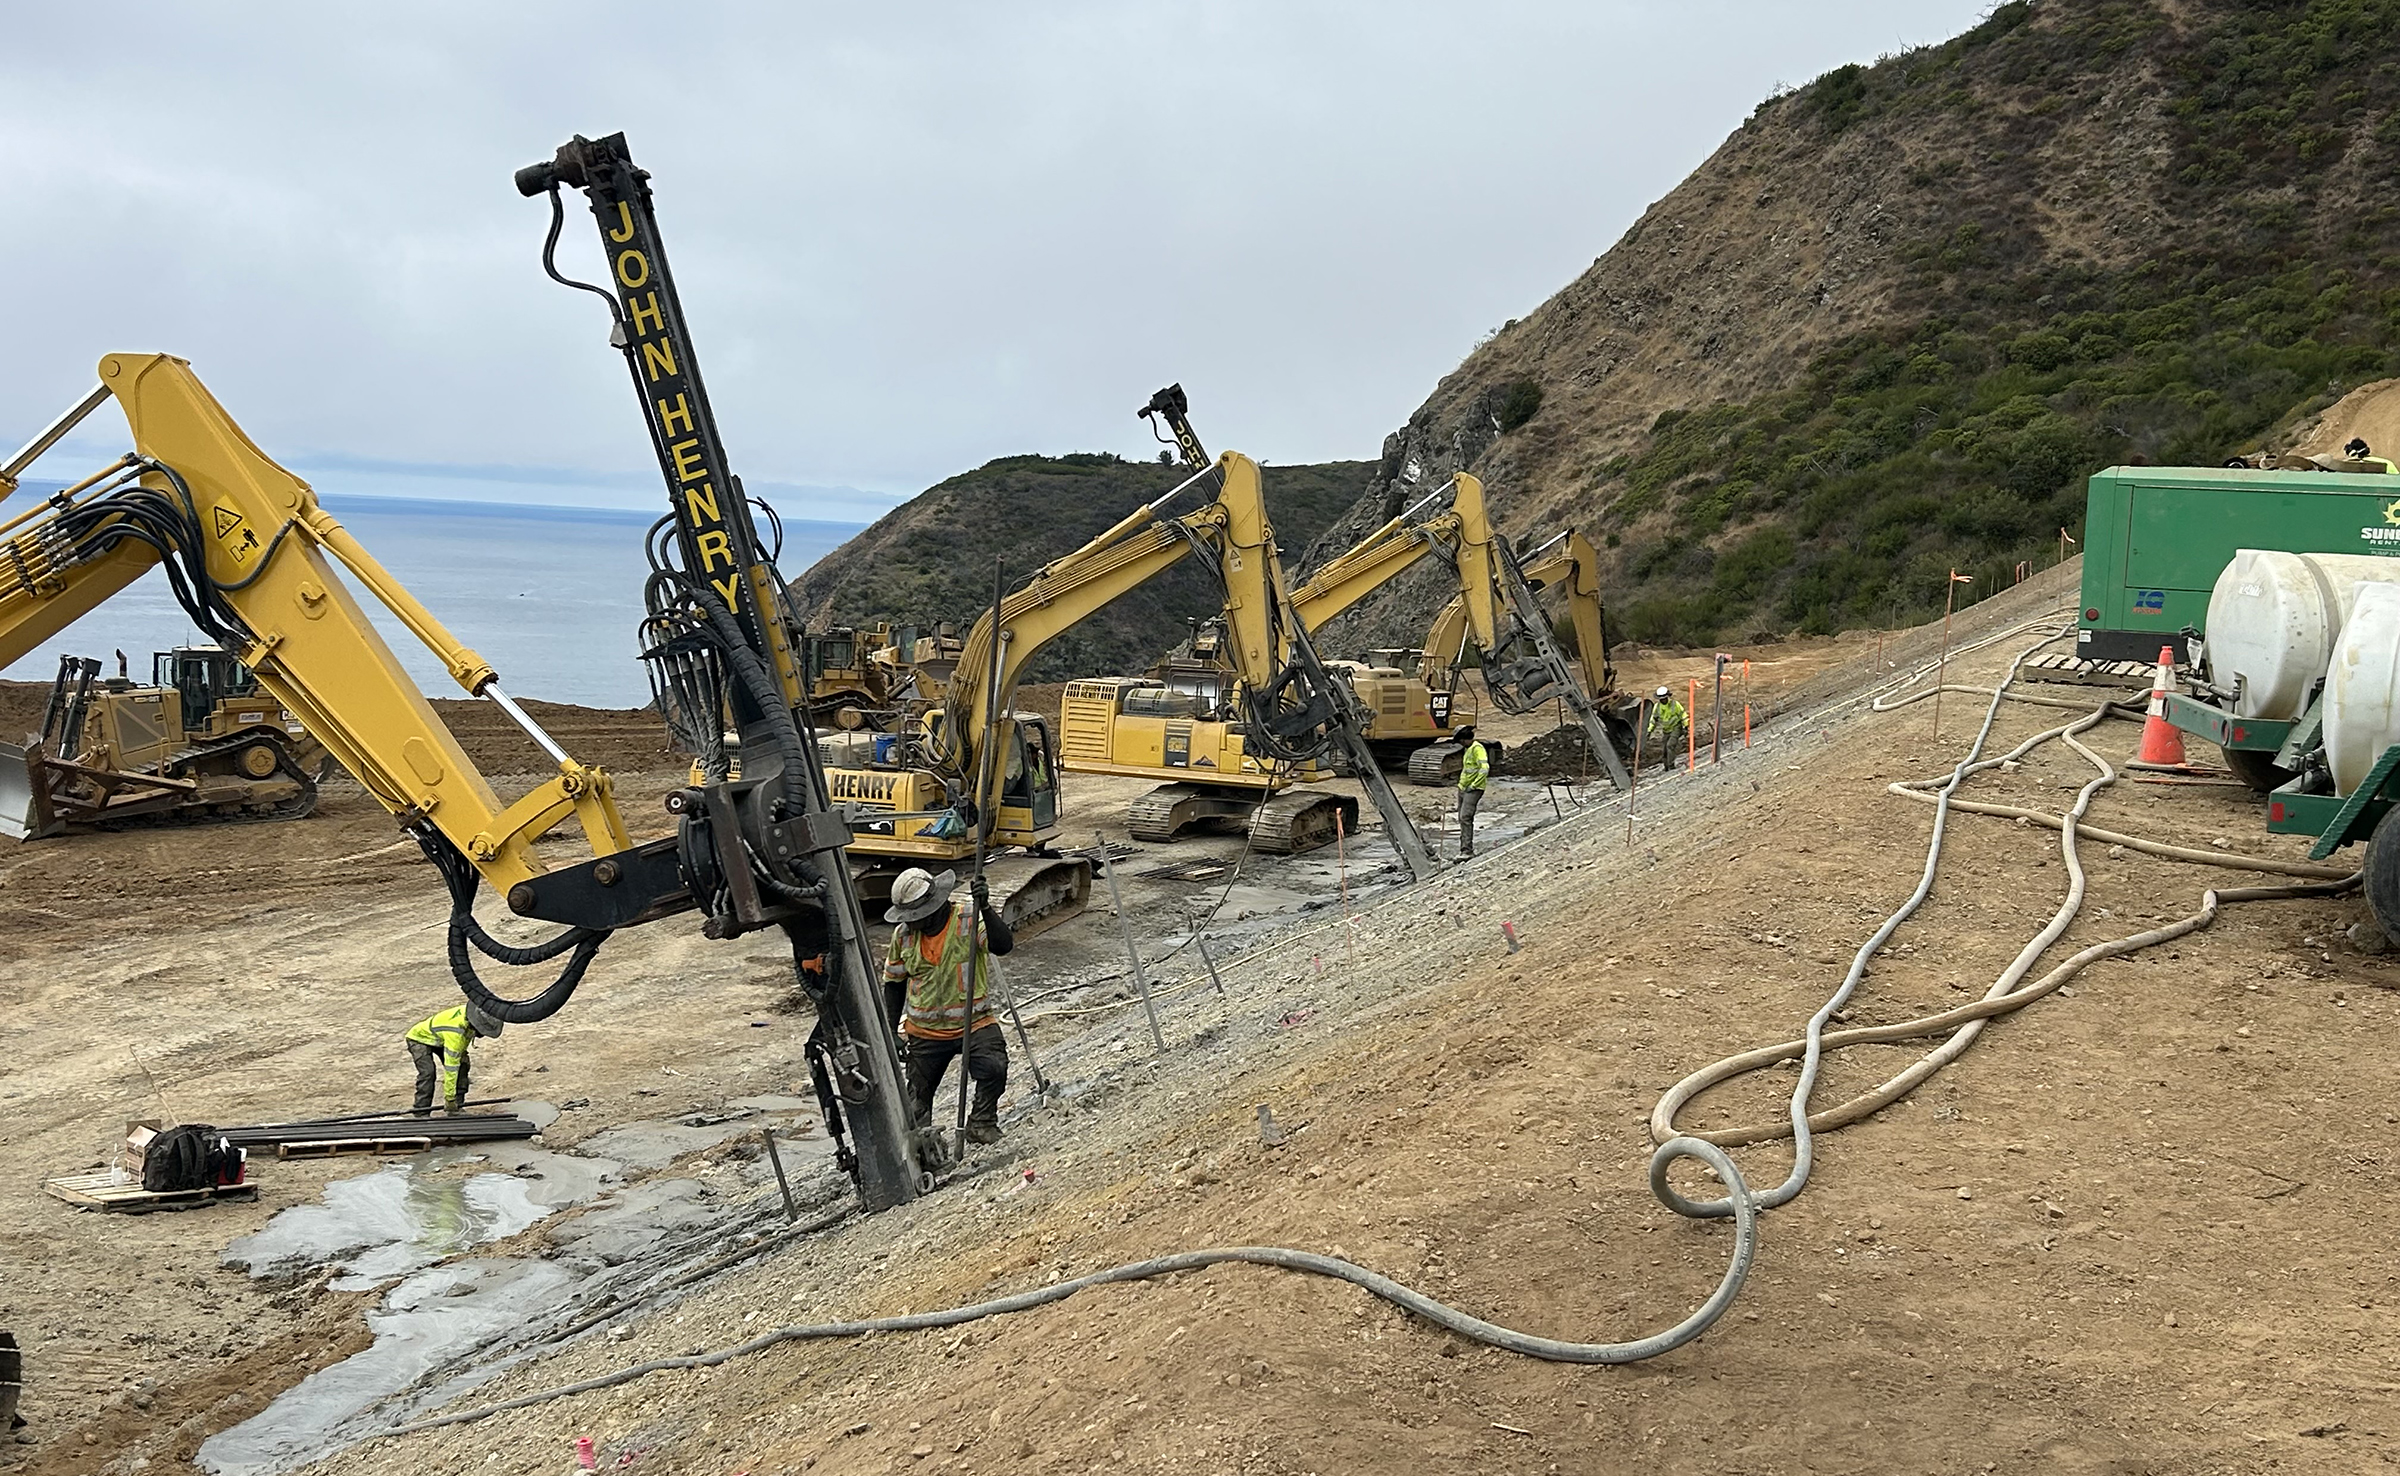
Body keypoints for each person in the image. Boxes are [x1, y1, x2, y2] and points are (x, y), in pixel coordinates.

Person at [882, 866, 1015, 1144]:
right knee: (916, 1098)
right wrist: (889, 1030)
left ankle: (981, 1122)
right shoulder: (903, 935)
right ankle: (922, 1144)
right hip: (925, 1032)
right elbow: (894, 984)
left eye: (916, 917)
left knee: (994, 1067)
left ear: (936, 906)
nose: (912, 923)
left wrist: (987, 908)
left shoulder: (968, 918)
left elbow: (1003, 946)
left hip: (974, 1023)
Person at [404, 1001, 503, 1116]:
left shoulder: (471, 1016)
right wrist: (449, 1099)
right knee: (428, 1073)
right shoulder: (456, 1033)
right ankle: (421, 1111)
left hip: (440, 1037)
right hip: (418, 1038)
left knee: (463, 1064)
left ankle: (457, 1107)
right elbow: (451, 1069)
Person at [1454, 724, 1489, 859]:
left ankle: (1467, 851)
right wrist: (1461, 786)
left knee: (1465, 817)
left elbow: (1484, 768)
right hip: (1464, 788)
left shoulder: (1477, 749)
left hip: (1473, 789)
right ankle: (1463, 848)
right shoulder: (1468, 750)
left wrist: (1474, 785)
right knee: (1462, 819)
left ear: (1464, 739)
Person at [1649, 686, 1688, 773]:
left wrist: (1686, 726)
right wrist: (1649, 730)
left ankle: (1671, 766)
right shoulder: (1657, 707)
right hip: (1666, 730)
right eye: (1661, 699)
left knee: (1670, 745)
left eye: (1664, 698)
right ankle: (1666, 767)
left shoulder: (1675, 704)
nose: (1663, 700)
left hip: (1676, 727)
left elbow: (1683, 715)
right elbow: (1653, 719)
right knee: (1664, 749)